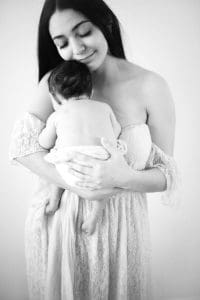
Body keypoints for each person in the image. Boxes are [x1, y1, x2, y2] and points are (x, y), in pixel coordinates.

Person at [9, 0, 178, 299]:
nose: (76, 49)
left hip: (122, 235)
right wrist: (78, 185)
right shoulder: (56, 83)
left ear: (105, 23)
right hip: (58, 228)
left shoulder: (151, 86)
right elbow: (22, 146)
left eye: (83, 32)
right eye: (62, 43)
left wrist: (121, 176)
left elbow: (167, 175)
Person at [39, 59, 130, 236]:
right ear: (90, 89)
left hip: (71, 168)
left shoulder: (58, 114)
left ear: (56, 95)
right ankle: (95, 215)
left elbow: (45, 142)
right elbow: (117, 130)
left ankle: (54, 198)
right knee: (106, 184)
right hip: (101, 165)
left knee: (58, 161)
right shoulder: (104, 107)